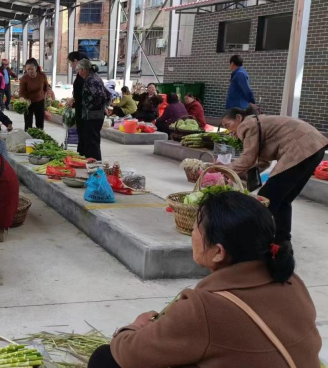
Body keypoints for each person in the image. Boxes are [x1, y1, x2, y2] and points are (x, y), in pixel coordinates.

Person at [90, 191, 321, 368]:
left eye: (197, 228)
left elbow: (131, 353)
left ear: (219, 252)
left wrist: (135, 327)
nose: (193, 234)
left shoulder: (204, 309)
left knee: (105, 359)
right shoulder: (290, 279)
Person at [223, 107, 328, 243]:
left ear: (238, 118)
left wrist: (225, 169)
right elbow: (261, 162)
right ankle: (282, 240)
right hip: (315, 147)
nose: (230, 131)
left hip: (300, 148)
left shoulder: (247, 124)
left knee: (266, 198)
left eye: (228, 125)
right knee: (283, 199)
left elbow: (247, 159)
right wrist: (239, 180)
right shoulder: (259, 123)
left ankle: (250, 241)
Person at [74, 58, 109, 161]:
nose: (78, 73)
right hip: (93, 114)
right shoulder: (93, 78)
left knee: (92, 141)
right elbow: (107, 94)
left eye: (78, 70)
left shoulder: (91, 80)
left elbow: (100, 96)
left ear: (84, 70)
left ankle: (96, 164)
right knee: (90, 140)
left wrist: (90, 106)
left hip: (93, 115)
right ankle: (92, 162)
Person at [18, 58, 48, 131]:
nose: (29, 71)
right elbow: (21, 92)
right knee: (28, 124)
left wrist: (45, 98)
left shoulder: (42, 75)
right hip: (28, 103)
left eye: (31, 69)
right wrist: (22, 99)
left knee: (40, 123)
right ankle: (28, 138)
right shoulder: (24, 78)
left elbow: (45, 88)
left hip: (40, 101)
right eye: (27, 69)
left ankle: (39, 138)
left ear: (36, 68)